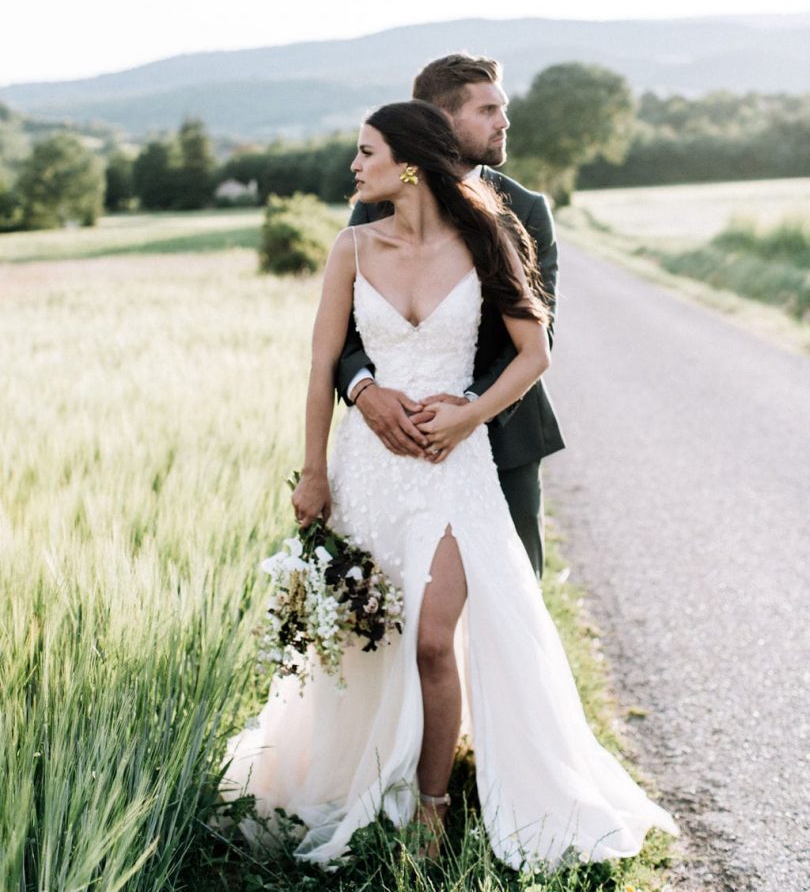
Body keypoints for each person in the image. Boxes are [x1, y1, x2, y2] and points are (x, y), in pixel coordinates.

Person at [221, 100, 677, 869]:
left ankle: (433, 803)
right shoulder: (351, 248)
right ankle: (367, 774)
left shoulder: (488, 236)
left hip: (454, 468)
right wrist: (314, 468)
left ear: (407, 163)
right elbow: (320, 366)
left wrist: (471, 415)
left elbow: (535, 353)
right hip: (370, 466)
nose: (353, 168)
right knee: (376, 639)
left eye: (365, 152)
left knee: (434, 639)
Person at [336, 53, 563, 578]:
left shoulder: (525, 212)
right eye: (487, 110)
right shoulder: (374, 207)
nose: (504, 122)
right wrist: (366, 393)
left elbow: (535, 337)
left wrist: (467, 410)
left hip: (504, 439)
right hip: (392, 442)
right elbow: (343, 332)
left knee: (513, 594)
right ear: (440, 121)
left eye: (501, 108)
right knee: (397, 605)